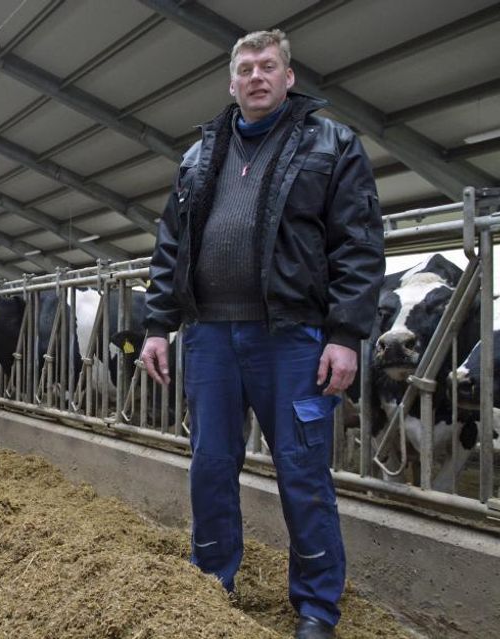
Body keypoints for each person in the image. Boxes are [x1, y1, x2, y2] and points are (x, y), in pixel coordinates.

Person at [139, 29, 383, 639]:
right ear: (231, 82)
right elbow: (171, 247)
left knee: (302, 471)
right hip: (212, 338)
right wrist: (157, 325)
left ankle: (317, 608)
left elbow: (358, 243)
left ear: (288, 76)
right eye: (245, 68)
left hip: (292, 336)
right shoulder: (198, 157)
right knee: (210, 465)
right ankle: (211, 583)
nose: (256, 76)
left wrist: (345, 334)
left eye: (267, 66)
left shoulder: (332, 144)